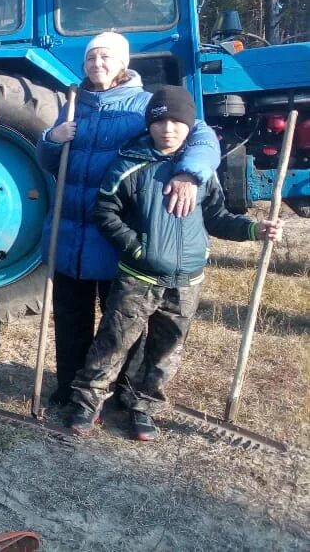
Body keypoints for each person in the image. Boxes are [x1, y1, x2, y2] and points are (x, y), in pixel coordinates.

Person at [67, 87, 283, 441]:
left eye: (177, 121)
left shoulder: (200, 173)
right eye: (160, 120)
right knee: (114, 341)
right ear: (150, 123)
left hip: (186, 280)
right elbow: (105, 212)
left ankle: (143, 407)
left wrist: (253, 229)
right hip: (139, 276)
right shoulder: (130, 164)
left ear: (189, 125)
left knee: (166, 349)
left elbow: (217, 217)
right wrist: (138, 250)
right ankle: (86, 404)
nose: (168, 128)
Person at [37, 32, 221, 405]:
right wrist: (52, 138)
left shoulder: (143, 105)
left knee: (121, 321)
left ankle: (121, 390)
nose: (97, 64)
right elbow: (49, 163)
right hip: (71, 231)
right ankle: (70, 384)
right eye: (91, 58)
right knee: (71, 316)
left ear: (123, 63)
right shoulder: (73, 104)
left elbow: (199, 133)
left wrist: (190, 172)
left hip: (115, 234)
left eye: (106, 57)